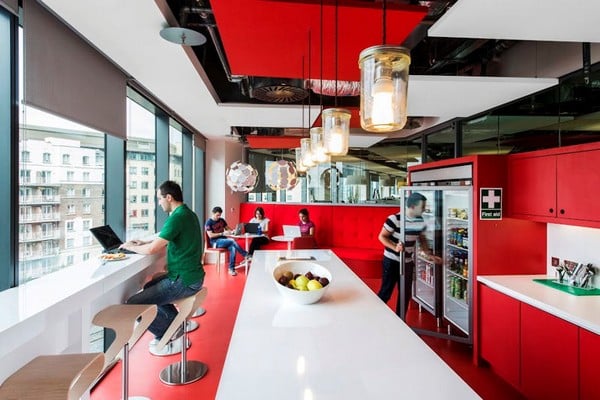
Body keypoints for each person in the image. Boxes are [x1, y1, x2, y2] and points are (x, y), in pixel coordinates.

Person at [120, 180, 204, 354]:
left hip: (183, 280)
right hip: (192, 276)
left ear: (169, 197)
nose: (159, 203)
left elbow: (152, 250)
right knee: (150, 286)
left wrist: (131, 247)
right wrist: (145, 241)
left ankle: (166, 334)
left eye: (159, 199)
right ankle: (175, 323)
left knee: (132, 304)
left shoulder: (177, 217)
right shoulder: (187, 213)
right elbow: (165, 238)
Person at [377, 192, 441, 318]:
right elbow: (382, 237)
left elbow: (421, 239)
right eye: (422, 207)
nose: (424, 209)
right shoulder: (394, 219)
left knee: (405, 295)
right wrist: (395, 247)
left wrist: (429, 254)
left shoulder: (420, 220)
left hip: (407, 262)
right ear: (412, 206)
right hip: (391, 261)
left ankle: (400, 321)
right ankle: (376, 318)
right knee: (386, 292)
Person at [205, 206, 248, 276]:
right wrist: (222, 233)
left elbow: (228, 228)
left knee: (233, 247)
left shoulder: (222, 220)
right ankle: (245, 254)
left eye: (220, 215)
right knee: (232, 241)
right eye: (217, 215)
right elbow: (210, 235)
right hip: (215, 242)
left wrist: (233, 231)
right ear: (213, 213)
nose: (218, 217)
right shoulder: (208, 222)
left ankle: (231, 269)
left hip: (223, 240)